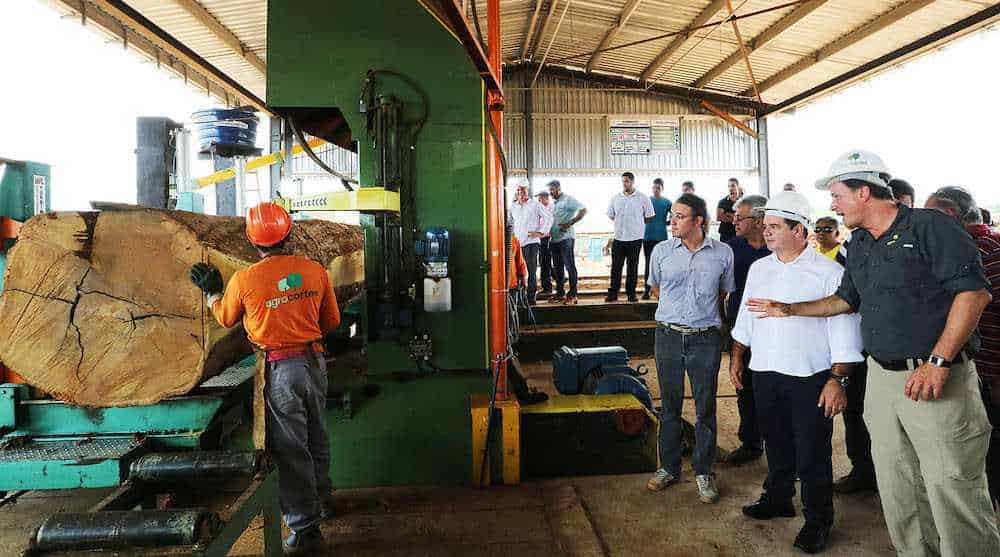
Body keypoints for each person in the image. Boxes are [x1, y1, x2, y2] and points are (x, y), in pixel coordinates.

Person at [748, 150, 1000, 556]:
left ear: (863, 192)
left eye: (836, 195)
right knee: (898, 485)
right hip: (882, 378)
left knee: (951, 485)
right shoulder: (861, 243)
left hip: (935, 376)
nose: (832, 205)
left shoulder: (930, 226)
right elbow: (845, 300)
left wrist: (938, 360)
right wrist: (790, 309)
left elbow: (973, 294)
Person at [189, 202, 341, 556]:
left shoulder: (244, 280)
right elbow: (332, 321)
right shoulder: (314, 271)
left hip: (281, 370)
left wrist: (213, 293)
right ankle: (322, 500)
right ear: (289, 235)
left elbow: (226, 318)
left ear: (252, 240)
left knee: (290, 448)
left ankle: (305, 529)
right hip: (314, 363)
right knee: (316, 435)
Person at [732, 191, 864, 554]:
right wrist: (737, 355)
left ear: (799, 230)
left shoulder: (829, 273)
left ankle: (818, 520)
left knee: (812, 452)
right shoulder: (760, 268)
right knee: (775, 441)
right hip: (765, 370)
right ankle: (778, 497)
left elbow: (844, 330)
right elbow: (746, 316)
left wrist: (838, 380)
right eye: (765, 225)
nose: (766, 231)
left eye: (775, 226)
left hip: (810, 376)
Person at [645, 193, 735, 504]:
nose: (672, 221)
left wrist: (701, 316)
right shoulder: (661, 251)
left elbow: (724, 293)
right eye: (672, 216)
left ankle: (703, 471)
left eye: (680, 216)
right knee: (669, 405)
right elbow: (656, 288)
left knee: (705, 407)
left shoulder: (723, 253)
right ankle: (669, 468)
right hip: (668, 336)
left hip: (705, 338)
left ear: (699, 221)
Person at [926, 185, 1000, 507]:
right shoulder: (990, 243)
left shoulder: (977, 252)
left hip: (988, 371)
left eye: (929, 217)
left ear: (948, 215)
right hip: (984, 369)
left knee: (986, 451)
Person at [814, 215, 877, 494]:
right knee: (853, 410)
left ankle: (874, 473)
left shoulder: (848, 253)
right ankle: (862, 470)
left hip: (879, 346)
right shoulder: (846, 250)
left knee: (865, 411)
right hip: (853, 343)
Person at [724, 194, 769, 466]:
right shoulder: (730, 249)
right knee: (743, 385)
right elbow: (720, 289)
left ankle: (780, 445)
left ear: (759, 219)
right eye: (735, 217)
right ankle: (751, 442)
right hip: (740, 329)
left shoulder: (776, 249)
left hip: (772, 330)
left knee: (773, 389)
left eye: (741, 217)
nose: (735, 221)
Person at [607, 171, 655, 303]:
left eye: (627, 181)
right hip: (618, 238)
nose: (624, 184)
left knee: (632, 267)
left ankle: (631, 294)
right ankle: (613, 294)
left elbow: (650, 216)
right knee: (616, 267)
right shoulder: (616, 198)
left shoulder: (642, 198)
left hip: (635, 238)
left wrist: (637, 224)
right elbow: (611, 215)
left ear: (632, 182)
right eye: (623, 181)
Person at [509, 184, 553, 304]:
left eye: (523, 190)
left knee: (531, 271)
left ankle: (531, 298)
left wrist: (541, 232)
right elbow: (509, 222)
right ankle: (520, 298)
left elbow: (549, 217)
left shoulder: (535, 204)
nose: (521, 192)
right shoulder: (513, 206)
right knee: (518, 271)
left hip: (531, 243)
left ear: (527, 191)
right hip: (517, 244)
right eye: (519, 190)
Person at [548, 180, 587, 305]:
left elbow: (583, 210)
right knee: (557, 267)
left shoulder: (568, 199)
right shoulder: (554, 203)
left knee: (569, 266)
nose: (550, 192)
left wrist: (570, 223)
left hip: (566, 239)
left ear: (558, 188)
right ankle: (560, 293)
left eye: (552, 189)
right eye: (549, 190)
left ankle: (573, 295)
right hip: (554, 239)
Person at [643, 178, 672, 299]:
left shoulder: (667, 202)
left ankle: (662, 290)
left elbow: (675, 214)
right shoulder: (647, 200)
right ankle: (647, 290)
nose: (656, 190)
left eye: (658, 188)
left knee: (662, 265)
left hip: (662, 238)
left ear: (662, 189)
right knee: (648, 263)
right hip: (647, 237)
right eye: (654, 188)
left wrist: (668, 222)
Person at [536, 190, 554, 296]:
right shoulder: (540, 209)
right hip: (541, 238)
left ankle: (547, 287)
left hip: (548, 238)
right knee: (544, 262)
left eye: (540, 199)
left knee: (545, 263)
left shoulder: (551, 208)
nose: (538, 201)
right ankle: (555, 277)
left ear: (546, 198)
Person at [717, 178, 743, 243]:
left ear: (738, 187)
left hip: (740, 234)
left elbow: (746, 216)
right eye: (729, 186)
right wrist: (737, 217)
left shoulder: (744, 201)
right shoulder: (722, 202)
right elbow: (719, 217)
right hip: (726, 235)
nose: (730, 188)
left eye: (733, 186)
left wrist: (728, 214)